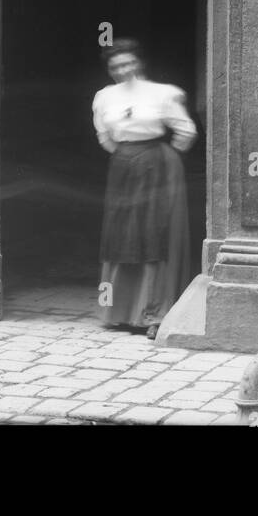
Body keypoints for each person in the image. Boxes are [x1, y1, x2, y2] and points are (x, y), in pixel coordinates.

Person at [91, 38, 196, 339]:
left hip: (157, 165)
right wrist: (128, 155)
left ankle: (155, 313)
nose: (122, 69)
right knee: (122, 233)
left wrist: (164, 159)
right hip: (123, 164)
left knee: (154, 232)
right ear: (110, 70)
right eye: (115, 66)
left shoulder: (163, 93)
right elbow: (104, 137)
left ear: (138, 64)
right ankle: (119, 312)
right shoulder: (103, 97)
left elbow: (185, 131)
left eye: (127, 63)